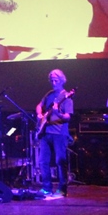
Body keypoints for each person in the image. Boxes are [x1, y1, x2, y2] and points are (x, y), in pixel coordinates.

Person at [35, 69, 74, 199]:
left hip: (59, 133)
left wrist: (57, 113)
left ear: (62, 80)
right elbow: (39, 105)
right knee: (43, 161)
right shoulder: (49, 94)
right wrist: (39, 114)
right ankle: (46, 188)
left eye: (55, 79)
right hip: (46, 132)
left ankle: (62, 189)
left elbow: (67, 117)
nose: (53, 82)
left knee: (60, 161)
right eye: (51, 80)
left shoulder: (67, 97)